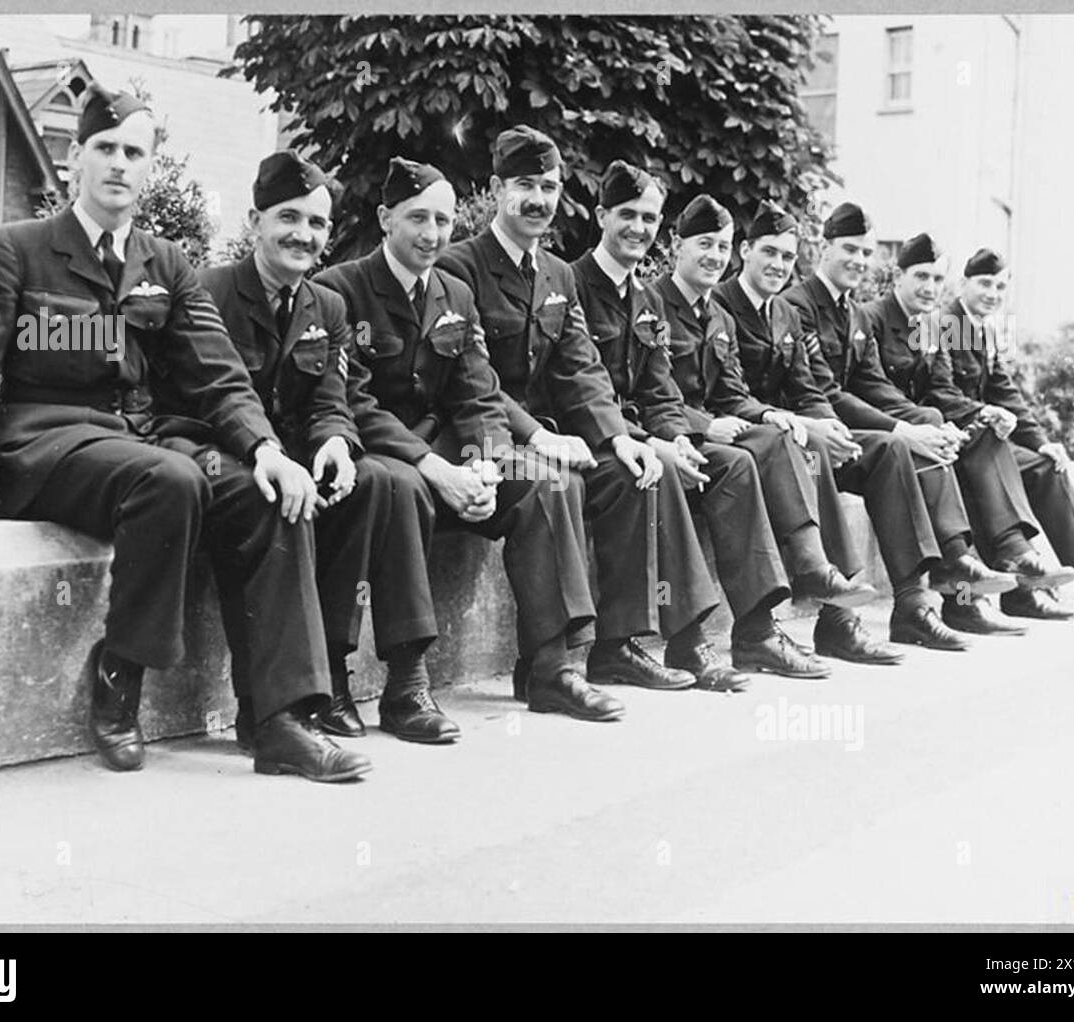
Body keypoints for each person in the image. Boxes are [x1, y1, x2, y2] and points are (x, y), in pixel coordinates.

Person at [0, 85, 370, 783]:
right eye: (105, 148)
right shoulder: (18, 250)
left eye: (134, 152)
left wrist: (268, 452)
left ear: (151, 167)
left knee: (270, 497)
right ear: (75, 158)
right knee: (172, 478)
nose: (119, 164)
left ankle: (278, 720)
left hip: (139, 447)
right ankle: (120, 672)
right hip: (50, 448)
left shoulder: (166, 264)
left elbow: (218, 373)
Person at [316, 156, 618, 721]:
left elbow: (479, 392)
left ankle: (551, 668)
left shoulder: (453, 292)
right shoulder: (341, 289)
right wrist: (438, 469)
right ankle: (406, 684)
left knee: (545, 481)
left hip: (453, 454)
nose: (432, 234)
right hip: (383, 453)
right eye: (417, 218)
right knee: (402, 487)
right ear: (385, 219)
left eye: (443, 221)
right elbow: (354, 401)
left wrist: (489, 465)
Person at [438, 126, 738, 694]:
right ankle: (548, 666)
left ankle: (617, 647)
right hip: (478, 437)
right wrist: (536, 436)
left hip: (551, 438)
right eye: (525, 185)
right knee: (555, 484)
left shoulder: (556, 274)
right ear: (497, 190)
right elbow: (471, 381)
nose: (538, 200)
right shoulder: (460, 267)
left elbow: (581, 369)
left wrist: (620, 438)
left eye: (549, 187)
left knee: (634, 472)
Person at [200, 151, 456, 745]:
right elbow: (209, 396)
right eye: (288, 218)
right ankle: (283, 701)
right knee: (279, 502)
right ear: (255, 221)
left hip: (294, 459)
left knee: (385, 481)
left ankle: (390, 681)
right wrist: (270, 454)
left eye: (317, 223)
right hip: (226, 454)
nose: (303, 235)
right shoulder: (210, 292)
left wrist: (337, 443)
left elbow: (330, 399)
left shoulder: (327, 305)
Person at [576, 168, 870, 680]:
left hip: (663, 433)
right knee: (688, 467)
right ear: (677, 245)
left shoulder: (656, 302)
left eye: (721, 246)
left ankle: (759, 630)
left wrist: (681, 434)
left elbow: (662, 390)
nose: (714, 256)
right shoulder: (576, 284)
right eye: (704, 244)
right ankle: (685, 642)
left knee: (747, 459)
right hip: (600, 437)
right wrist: (671, 436)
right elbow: (582, 385)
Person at [729, 201, 1009, 651]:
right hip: (790, 441)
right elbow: (821, 390)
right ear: (824, 248)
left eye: (865, 252)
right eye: (850, 249)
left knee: (910, 441)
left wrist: (919, 425)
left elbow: (871, 385)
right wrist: (894, 430)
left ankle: (917, 602)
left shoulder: (854, 314)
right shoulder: (797, 304)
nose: (859, 260)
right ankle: (840, 618)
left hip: (829, 432)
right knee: (889, 444)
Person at [862, 232, 1073, 632]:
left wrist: (964, 421)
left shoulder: (932, 326)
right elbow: (870, 387)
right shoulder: (872, 318)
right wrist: (931, 424)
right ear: (898, 276)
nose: (930, 287)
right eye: (921, 276)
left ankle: (996, 583)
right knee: (969, 462)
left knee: (983, 450)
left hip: (929, 432)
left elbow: (941, 386)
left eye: (936, 279)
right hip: (888, 434)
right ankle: (979, 592)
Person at [927, 247, 1074, 612]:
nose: (992, 294)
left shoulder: (986, 330)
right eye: (984, 284)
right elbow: (939, 392)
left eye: (1000, 287)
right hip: (958, 441)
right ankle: (1020, 583)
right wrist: (986, 413)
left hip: (986, 440)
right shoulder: (944, 324)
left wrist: (1042, 442)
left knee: (1046, 465)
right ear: (963, 284)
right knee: (999, 459)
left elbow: (1006, 392)